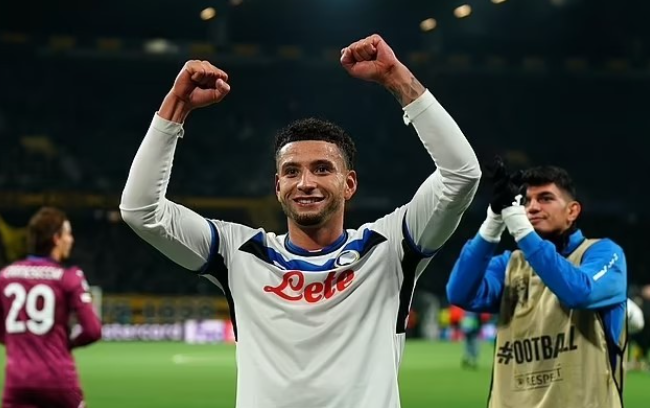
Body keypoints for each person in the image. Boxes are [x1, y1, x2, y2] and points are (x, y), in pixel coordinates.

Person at [120, 34, 481, 408]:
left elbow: (462, 174)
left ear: (349, 184)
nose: (305, 182)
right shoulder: (240, 253)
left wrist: (396, 78)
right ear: (278, 186)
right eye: (292, 171)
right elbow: (140, 210)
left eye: (322, 169)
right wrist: (175, 107)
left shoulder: (389, 248)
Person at [446, 159, 627, 408]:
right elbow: (459, 293)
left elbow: (579, 293)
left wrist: (520, 228)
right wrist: (493, 223)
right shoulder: (511, 264)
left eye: (545, 198)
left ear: (572, 211)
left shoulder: (603, 254)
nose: (532, 207)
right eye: (526, 200)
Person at [0, 207, 102, 408]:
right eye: (68, 234)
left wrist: (20, 342)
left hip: (18, 381)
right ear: (56, 238)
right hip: (58, 379)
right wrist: (67, 343)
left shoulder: (5, 276)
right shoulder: (68, 278)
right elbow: (93, 330)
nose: (71, 240)